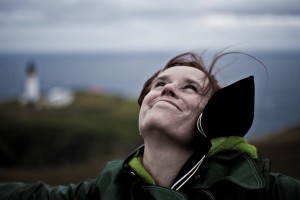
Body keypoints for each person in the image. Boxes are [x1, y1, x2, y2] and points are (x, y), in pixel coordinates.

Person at [1, 51, 300, 199]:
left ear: (214, 117)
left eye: (190, 88)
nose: (166, 90)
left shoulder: (267, 192)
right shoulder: (103, 191)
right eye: (160, 83)